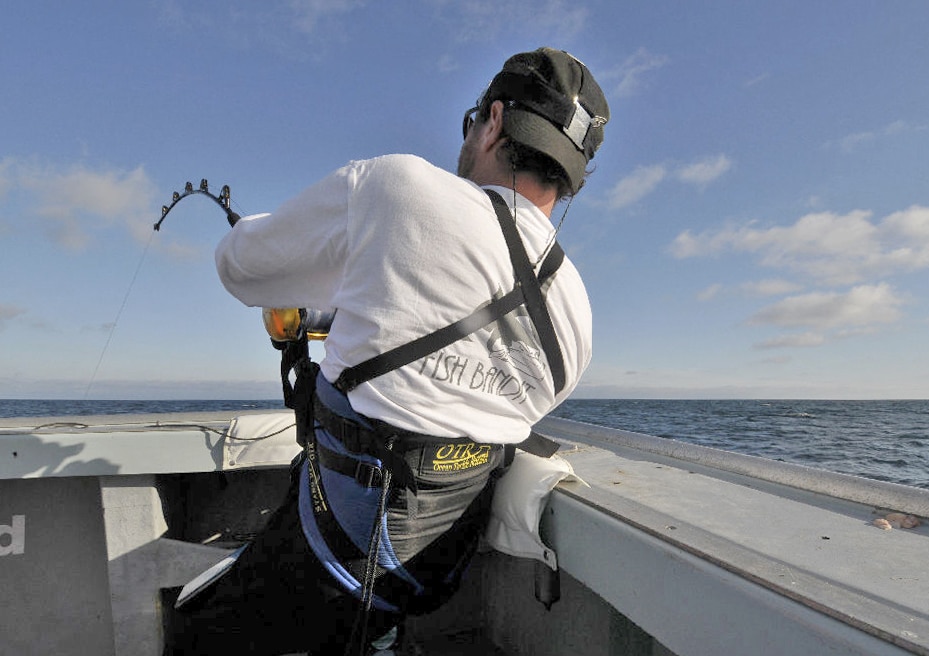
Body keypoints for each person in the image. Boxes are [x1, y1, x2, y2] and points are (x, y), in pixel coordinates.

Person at [164, 47, 609, 655]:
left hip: (333, 555)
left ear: (496, 120)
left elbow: (239, 268)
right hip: (431, 572)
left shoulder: (396, 188)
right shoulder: (577, 310)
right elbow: (468, 394)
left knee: (193, 632)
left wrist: (265, 236)